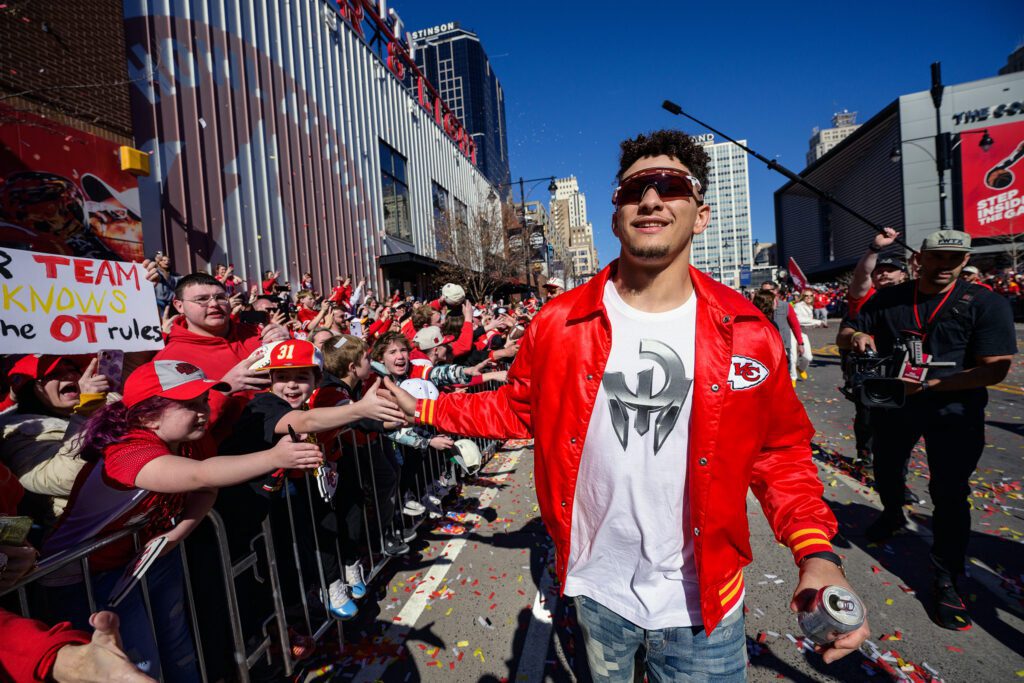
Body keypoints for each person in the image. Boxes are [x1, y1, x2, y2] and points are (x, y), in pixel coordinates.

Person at [387, 129, 868, 680]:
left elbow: (779, 452)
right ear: (617, 215)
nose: (651, 198)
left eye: (670, 185)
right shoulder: (558, 324)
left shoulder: (748, 332)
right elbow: (516, 410)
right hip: (599, 593)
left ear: (701, 214)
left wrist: (817, 555)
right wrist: (421, 409)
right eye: (634, 188)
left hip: (704, 606)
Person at [41, 360, 323, 681]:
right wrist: (274, 457)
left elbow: (207, 488)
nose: (204, 410)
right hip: (89, 575)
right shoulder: (126, 450)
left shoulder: (191, 439)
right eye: (189, 404)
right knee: (139, 662)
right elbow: (200, 474)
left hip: (150, 557)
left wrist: (177, 532)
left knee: (179, 647)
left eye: (204, 399)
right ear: (148, 414)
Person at [838, 229, 1017, 630]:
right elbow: (846, 332)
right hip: (895, 403)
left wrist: (937, 384)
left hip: (954, 408)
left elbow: (996, 367)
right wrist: (859, 336)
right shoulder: (889, 299)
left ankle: (946, 575)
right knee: (886, 467)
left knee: (949, 492)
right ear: (919, 258)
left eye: (954, 259)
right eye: (937, 257)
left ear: (965, 260)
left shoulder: (985, 303)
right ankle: (890, 513)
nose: (945, 266)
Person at [153, 272, 288, 442]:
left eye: (220, 297)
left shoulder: (258, 334)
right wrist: (225, 389)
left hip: (287, 445)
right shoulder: (169, 358)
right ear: (179, 306)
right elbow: (175, 431)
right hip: (224, 458)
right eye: (201, 299)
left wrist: (287, 345)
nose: (214, 304)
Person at [0, 355, 109, 528]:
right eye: (53, 374)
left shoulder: (103, 403)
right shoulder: (19, 432)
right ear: (31, 389)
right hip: (85, 534)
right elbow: (67, 479)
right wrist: (86, 413)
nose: (69, 377)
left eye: (72, 370)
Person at [843, 227, 908, 468]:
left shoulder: (913, 297)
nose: (884, 275)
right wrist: (875, 249)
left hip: (904, 369)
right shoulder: (865, 295)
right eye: (879, 271)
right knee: (868, 414)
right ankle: (866, 454)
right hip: (870, 369)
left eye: (891, 270)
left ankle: (894, 473)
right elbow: (862, 274)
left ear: (903, 275)